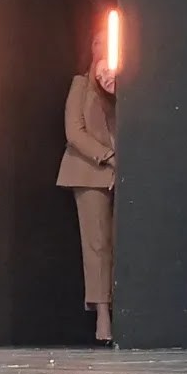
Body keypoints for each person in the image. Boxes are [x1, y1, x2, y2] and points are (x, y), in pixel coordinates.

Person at [57, 29, 118, 345]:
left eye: (107, 41)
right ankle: (102, 314)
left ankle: (122, 309)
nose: (101, 45)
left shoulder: (120, 84)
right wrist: (107, 156)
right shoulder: (81, 85)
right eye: (96, 41)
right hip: (90, 171)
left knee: (118, 244)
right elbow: (74, 132)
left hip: (122, 174)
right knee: (96, 244)